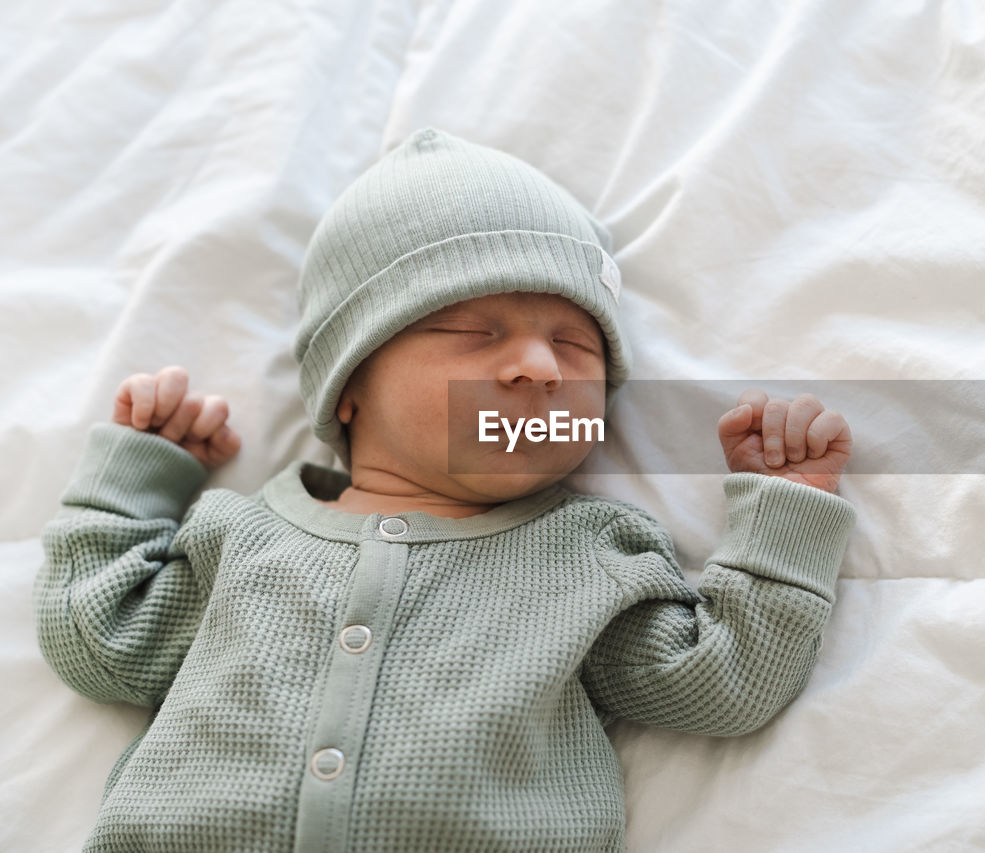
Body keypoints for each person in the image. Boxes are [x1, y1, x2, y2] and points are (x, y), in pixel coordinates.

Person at [35, 127, 857, 852]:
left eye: (576, 346)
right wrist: (140, 471)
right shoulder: (239, 537)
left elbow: (723, 683)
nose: (538, 367)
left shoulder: (586, 558)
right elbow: (95, 639)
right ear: (347, 386)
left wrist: (784, 511)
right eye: (472, 331)